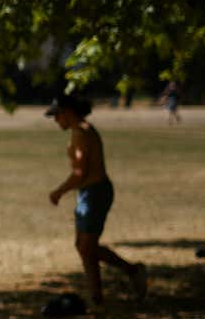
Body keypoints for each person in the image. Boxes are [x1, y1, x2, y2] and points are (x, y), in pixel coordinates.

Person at [46, 93, 147, 306]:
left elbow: (79, 172)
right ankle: (96, 296)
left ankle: (132, 271)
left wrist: (58, 192)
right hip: (87, 192)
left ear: (68, 112)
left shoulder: (82, 133)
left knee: (87, 246)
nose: (55, 120)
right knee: (83, 246)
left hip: (95, 192)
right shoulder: (78, 131)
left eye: (57, 116)